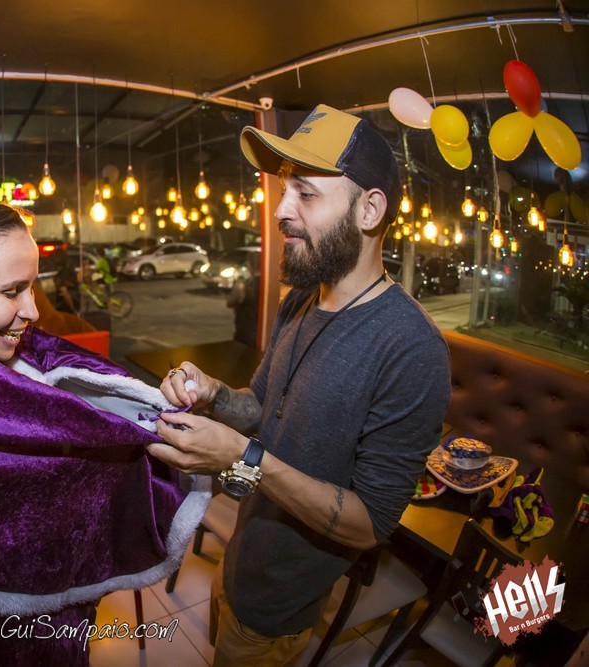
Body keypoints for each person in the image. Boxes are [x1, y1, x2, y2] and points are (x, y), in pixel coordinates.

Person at [148, 105, 451, 666]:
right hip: (240, 558)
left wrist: (241, 458)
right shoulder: (301, 301)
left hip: (278, 607)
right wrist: (214, 393)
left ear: (369, 209)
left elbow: (370, 525)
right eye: (285, 190)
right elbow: (263, 406)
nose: (281, 210)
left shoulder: (412, 348)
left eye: (305, 194)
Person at [0, 199, 207, 666]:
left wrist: (150, 405)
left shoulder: (3, 348)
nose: (33, 310)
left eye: (32, 287)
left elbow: (73, 390)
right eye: (12, 291)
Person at [226, 251, 260, 347]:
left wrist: (238, 283)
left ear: (250, 267)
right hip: (263, 336)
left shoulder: (244, 285)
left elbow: (229, 302)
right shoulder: (271, 284)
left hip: (245, 336)